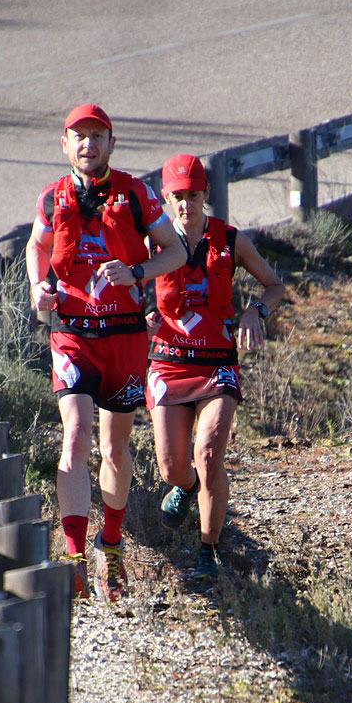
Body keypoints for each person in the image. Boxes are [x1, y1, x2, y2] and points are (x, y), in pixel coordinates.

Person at [26, 104, 186, 601]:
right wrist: (37, 287)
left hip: (123, 337)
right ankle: (75, 557)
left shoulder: (136, 194)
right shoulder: (52, 197)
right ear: (65, 144)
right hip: (72, 334)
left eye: (97, 136)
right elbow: (37, 246)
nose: (88, 145)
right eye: (79, 136)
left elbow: (176, 252)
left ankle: (110, 544)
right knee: (75, 435)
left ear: (112, 144)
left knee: (114, 448)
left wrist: (137, 272)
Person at [146, 154, 286, 578]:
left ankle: (209, 551)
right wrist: (141, 315)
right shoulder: (152, 241)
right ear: (165, 197)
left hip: (217, 365)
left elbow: (274, 285)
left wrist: (255, 311)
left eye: (193, 195)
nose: (185, 204)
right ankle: (186, 487)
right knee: (172, 467)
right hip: (169, 361)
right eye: (177, 196)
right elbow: (129, 285)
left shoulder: (229, 239)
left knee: (207, 454)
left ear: (205, 193)